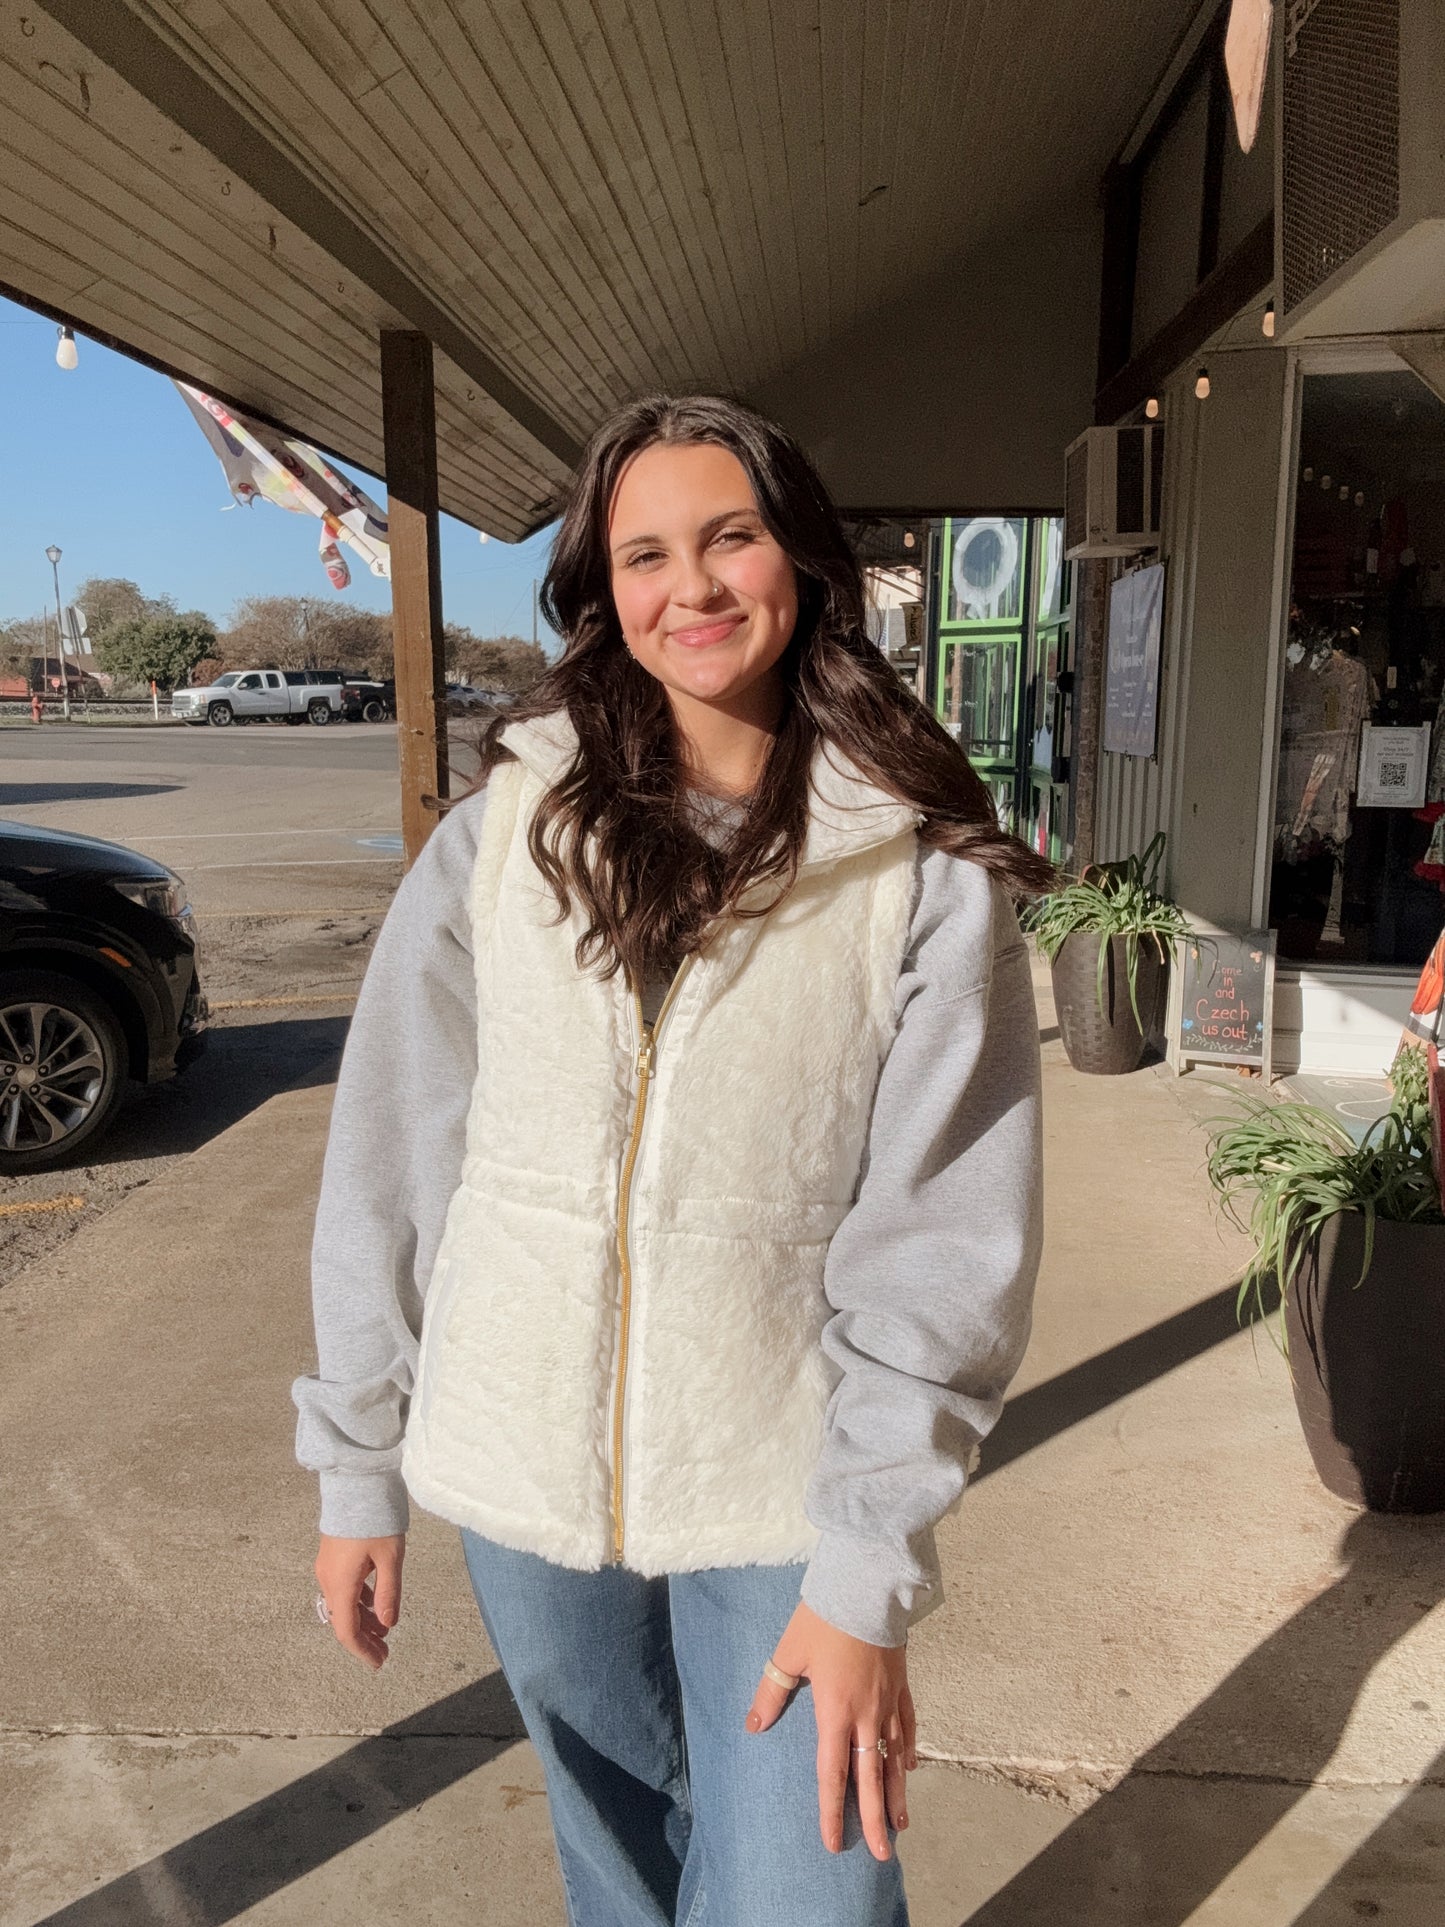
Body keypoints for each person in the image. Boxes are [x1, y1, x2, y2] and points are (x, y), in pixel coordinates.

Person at [294, 394, 1050, 1927]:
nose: (689, 588)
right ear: (602, 589)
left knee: (805, 1892)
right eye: (644, 554)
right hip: (521, 1464)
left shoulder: (912, 871)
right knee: (620, 1875)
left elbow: (942, 1241)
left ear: (802, 562)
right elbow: (392, 1153)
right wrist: (358, 1463)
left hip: (785, 1484)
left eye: (729, 538)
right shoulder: (502, 835)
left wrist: (868, 1566)